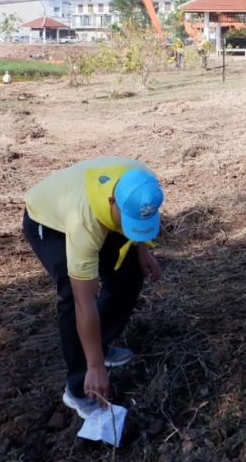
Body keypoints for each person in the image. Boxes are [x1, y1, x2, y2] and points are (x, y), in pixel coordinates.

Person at [23, 157, 164, 418]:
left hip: (100, 212)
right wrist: (95, 365)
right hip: (48, 221)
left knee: (129, 274)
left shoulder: (143, 183)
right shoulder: (84, 223)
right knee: (70, 292)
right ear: (113, 203)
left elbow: (138, 216)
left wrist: (142, 250)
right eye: (128, 221)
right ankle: (78, 388)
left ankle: (100, 343)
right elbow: (83, 301)